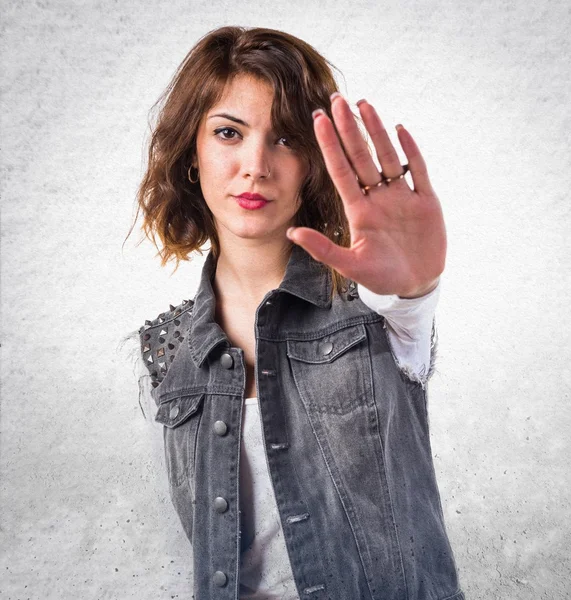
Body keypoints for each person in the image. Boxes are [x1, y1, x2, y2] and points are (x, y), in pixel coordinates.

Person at [125, 25, 464, 600]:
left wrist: (418, 284)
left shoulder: (375, 310)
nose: (255, 164)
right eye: (229, 133)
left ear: (313, 163)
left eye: (285, 139)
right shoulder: (162, 351)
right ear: (191, 154)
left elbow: (408, 300)